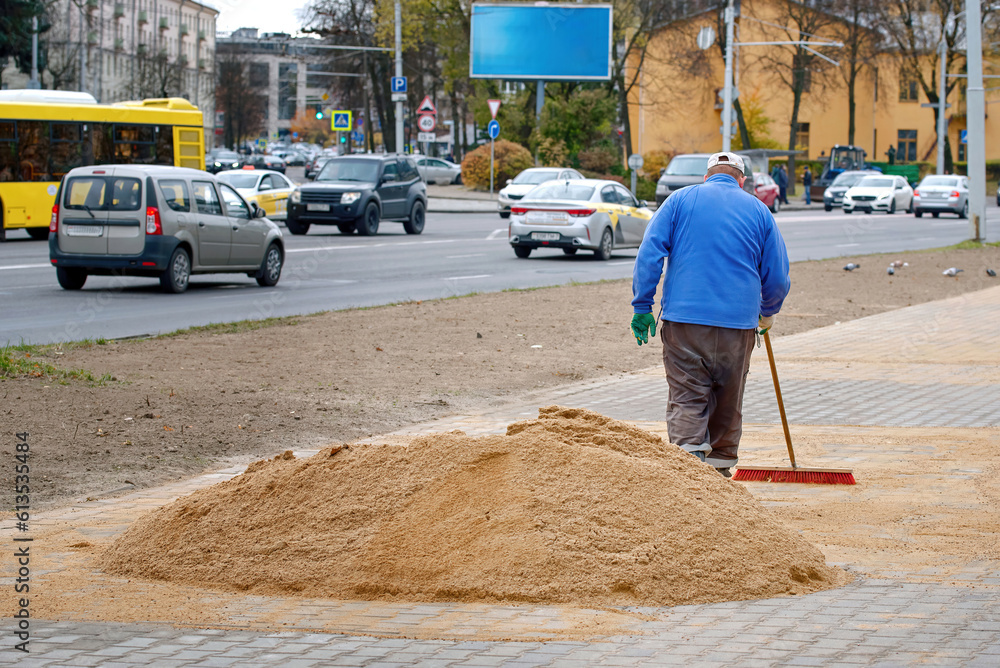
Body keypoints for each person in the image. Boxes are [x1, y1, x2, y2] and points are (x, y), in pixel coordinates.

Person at [630, 152, 790, 478]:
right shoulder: (759, 211)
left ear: (706, 176)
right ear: (741, 180)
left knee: (687, 395)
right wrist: (768, 312)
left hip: (685, 323)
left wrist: (642, 306)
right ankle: (719, 471)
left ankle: (689, 471)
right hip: (738, 326)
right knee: (728, 399)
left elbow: (649, 253)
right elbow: (776, 276)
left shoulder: (678, 201)